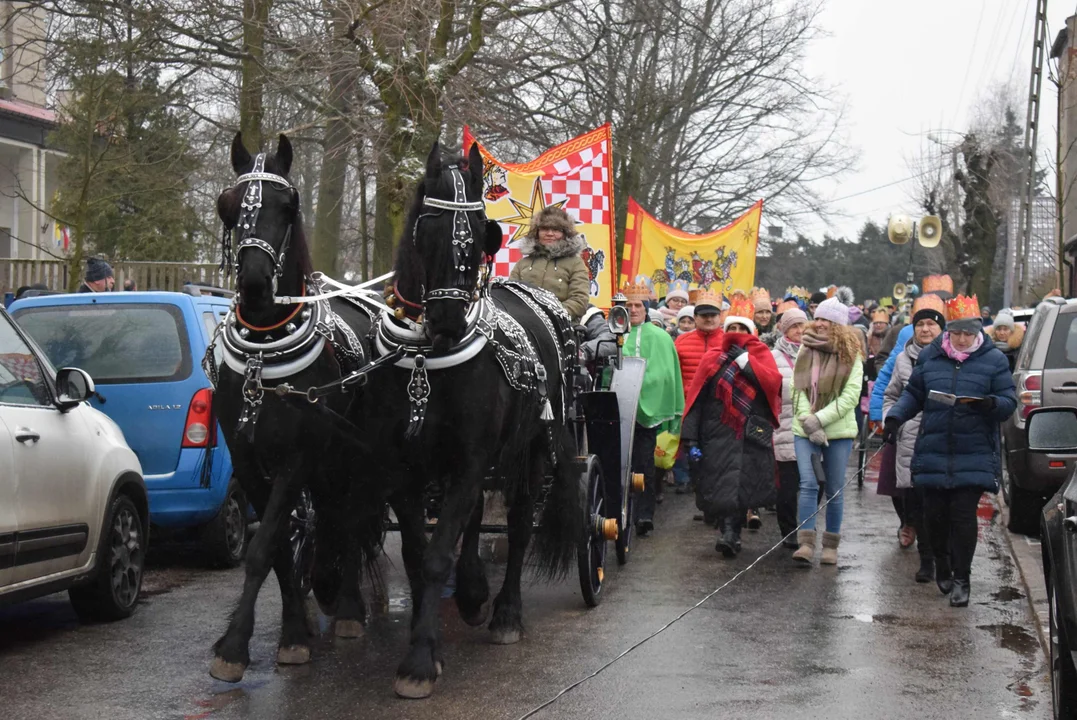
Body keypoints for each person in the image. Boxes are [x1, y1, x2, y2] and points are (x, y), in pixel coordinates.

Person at [884, 294, 1017, 607]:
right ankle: (941, 562)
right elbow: (913, 393)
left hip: (973, 451)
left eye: (967, 334)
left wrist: (991, 404)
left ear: (978, 333)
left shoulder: (993, 360)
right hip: (934, 447)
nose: (960, 339)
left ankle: (962, 578)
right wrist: (894, 418)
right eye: (955, 333)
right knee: (934, 516)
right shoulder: (931, 356)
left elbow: (1008, 401)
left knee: (962, 516)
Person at [683, 292, 782, 557]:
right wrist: (690, 438)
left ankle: (731, 533)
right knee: (721, 486)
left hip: (749, 432)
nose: (736, 332)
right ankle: (727, 530)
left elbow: (771, 386)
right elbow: (696, 400)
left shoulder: (760, 355)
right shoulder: (712, 357)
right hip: (716, 433)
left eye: (742, 328)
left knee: (741, 487)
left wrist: (746, 363)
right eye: (732, 328)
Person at [790, 293, 863, 567]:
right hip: (804, 428)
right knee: (808, 484)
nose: (820, 324)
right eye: (818, 318)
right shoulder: (805, 348)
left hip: (838, 431)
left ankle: (830, 544)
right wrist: (806, 420)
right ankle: (806, 543)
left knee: (834, 489)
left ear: (839, 325)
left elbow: (850, 397)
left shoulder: (852, 355)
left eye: (827, 320)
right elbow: (796, 389)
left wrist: (819, 420)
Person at [882, 294, 946, 583]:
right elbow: (892, 395)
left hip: (940, 437)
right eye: (920, 324)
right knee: (916, 501)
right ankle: (926, 560)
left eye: (931, 324)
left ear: (941, 329)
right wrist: (891, 419)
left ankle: (944, 558)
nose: (925, 329)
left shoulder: (949, 359)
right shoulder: (901, 359)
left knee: (939, 503)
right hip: (909, 439)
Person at [621, 282, 684, 536]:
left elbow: (665, 374)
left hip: (646, 412)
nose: (633, 310)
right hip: (617, 407)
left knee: (644, 463)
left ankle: (644, 514)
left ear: (646, 309)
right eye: (628, 306)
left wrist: (643, 386)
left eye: (638, 305)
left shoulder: (660, 337)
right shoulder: (614, 333)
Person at [508, 206, 589, 322]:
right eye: (545, 229)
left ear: (566, 234)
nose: (550, 233)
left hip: (562, 327)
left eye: (556, 230)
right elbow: (509, 295)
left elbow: (580, 300)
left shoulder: (576, 263)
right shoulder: (523, 263)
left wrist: (553, 315)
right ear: (536, 232)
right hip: (523, 324)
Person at [770, 307, 808, 548]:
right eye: (794, 326)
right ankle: (788, 531)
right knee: (786, 487)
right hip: (783, 427)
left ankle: (807, 529)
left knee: (814, 484)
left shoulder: (816, 354)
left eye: (803, 325)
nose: (800, 331)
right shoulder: (772, 357)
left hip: (811, 428)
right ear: (784, 329)